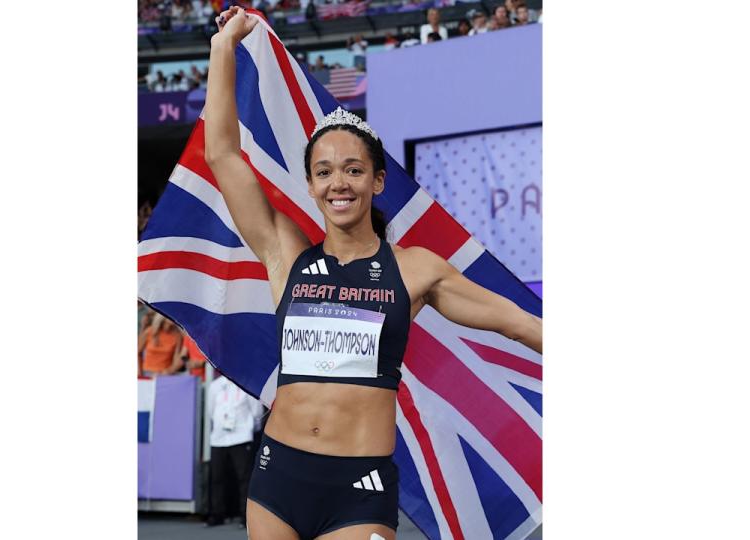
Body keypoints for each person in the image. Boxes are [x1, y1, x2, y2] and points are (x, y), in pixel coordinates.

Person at [206, 7, 542, 539]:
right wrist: (223, 48)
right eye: (324, 172)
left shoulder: (415, 270)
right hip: (277, 478)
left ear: (377, 181)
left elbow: (517, 323)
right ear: (312, 187)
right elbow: (222, 155)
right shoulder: (285, 254)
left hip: (358, 488)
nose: (339, 182)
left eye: (353, 170)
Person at [205, 374, 264, 528]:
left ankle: (245, 517)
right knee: (216, 477)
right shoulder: (215, 385)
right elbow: (211, 411)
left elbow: (257, 412)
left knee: (244, 479)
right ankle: (217, 514)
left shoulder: (247, 383)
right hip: (219, 437)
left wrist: (248, 428)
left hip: (241, 436)